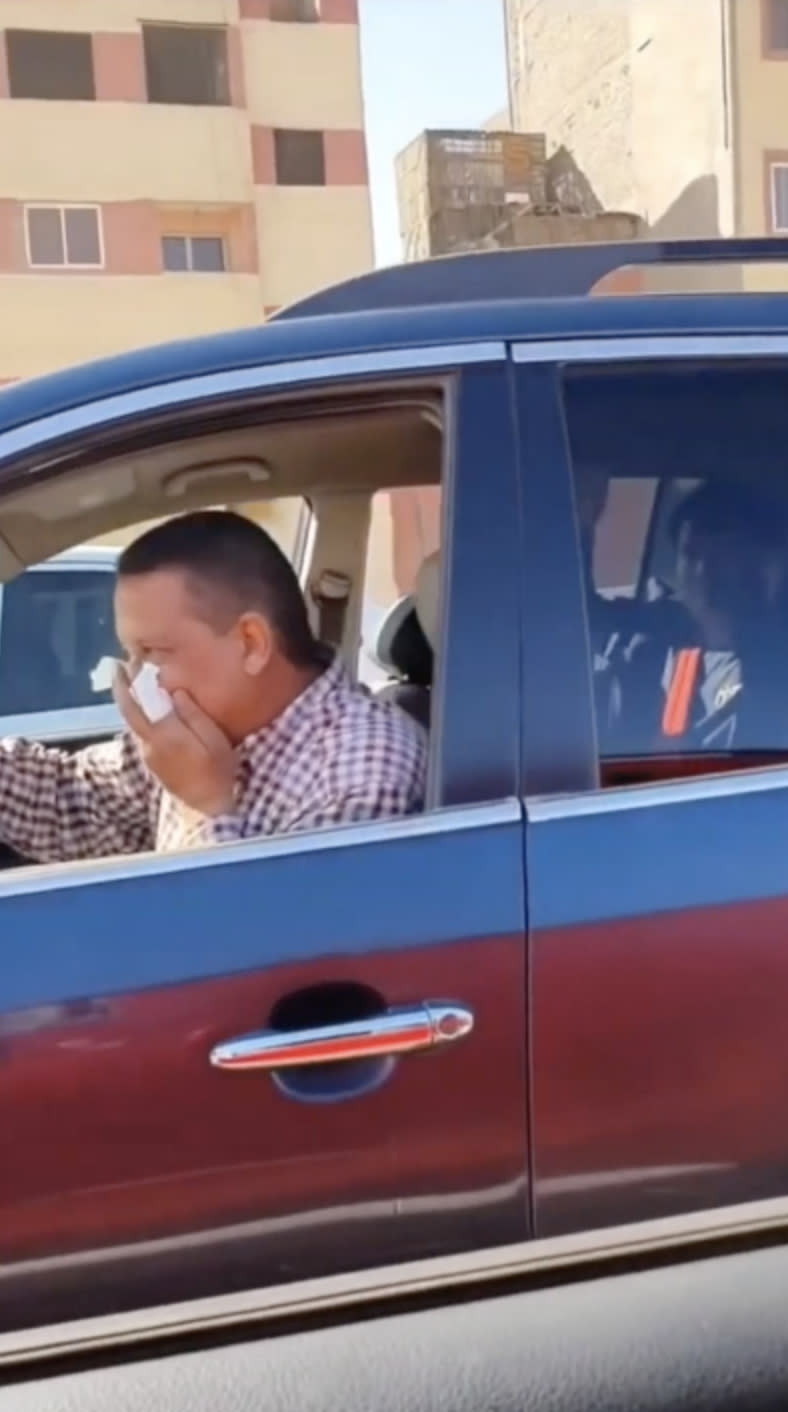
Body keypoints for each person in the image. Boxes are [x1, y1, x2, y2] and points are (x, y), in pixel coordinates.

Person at [0, 511, 428, 863]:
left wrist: (203, 806)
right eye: (132, 653)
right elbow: (68, 798)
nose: (136, 679)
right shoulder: (200, 732)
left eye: (153, 651)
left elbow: (258, 953)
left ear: (251, 644)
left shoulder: (361, 775)